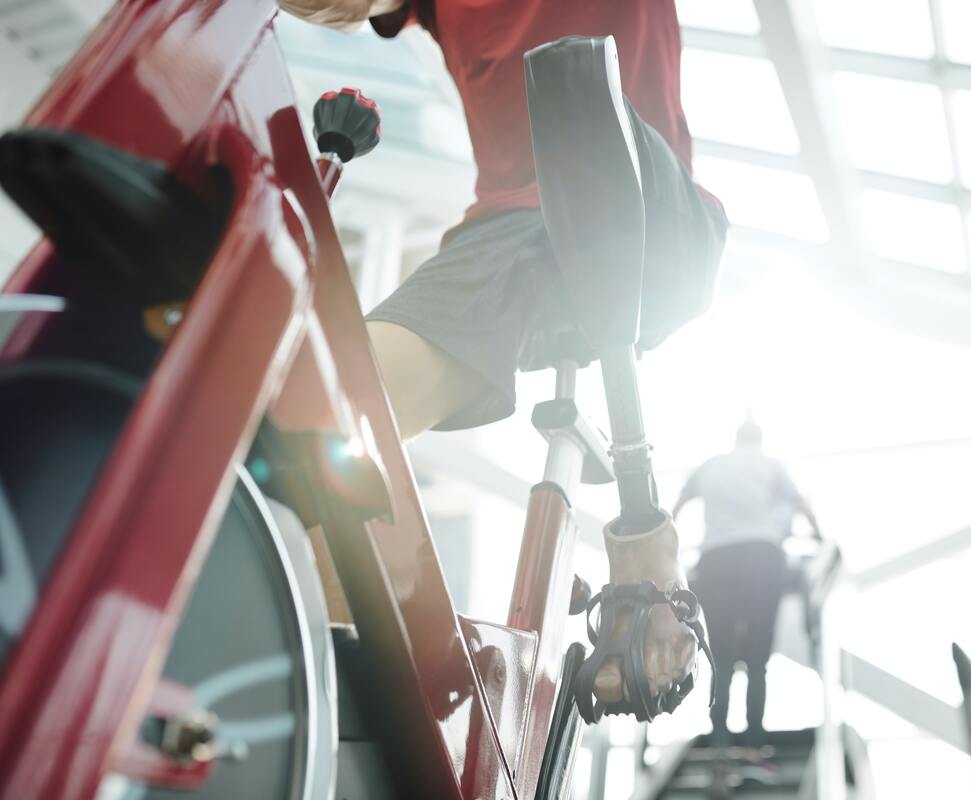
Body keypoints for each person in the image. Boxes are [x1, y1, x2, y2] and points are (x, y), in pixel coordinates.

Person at [278, 0, 728, 709]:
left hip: (646, 207)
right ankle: (343, 686)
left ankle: (653, 559)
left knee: (578, 95)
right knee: (314, 416)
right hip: (506, 235)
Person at [673, 420, 820, 745]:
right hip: (763, 557)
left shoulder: (712, 465)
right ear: (760, 439)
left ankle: (719, 735)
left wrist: (669, 544)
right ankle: (754, 737)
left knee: (721, 654)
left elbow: (680, 503)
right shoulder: (770, 465)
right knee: (757, 655)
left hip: (716, 559)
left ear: (735, 438)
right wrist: (819, 536)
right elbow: (800, 504)